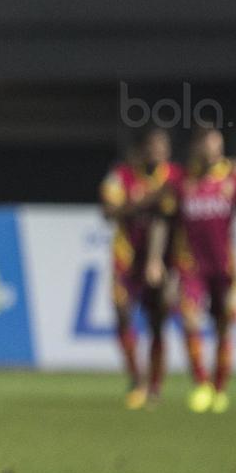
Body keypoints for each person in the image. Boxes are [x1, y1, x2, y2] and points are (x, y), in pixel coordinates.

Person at [147, 127, 236, 413]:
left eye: (217, 144)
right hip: (191, 267)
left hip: (224, 267)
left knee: (224, 327)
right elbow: (162, 221)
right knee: (189, 321)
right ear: (196, 147)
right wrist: (154, 259)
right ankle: (202, 383)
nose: (212, 150)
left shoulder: (235, 177)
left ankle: (220, 388)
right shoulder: (181, 181)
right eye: (207, 144)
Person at [99, 128, 182, 409]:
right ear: (142, 149)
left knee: (158, 322)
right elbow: (108, 211)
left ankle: (155, 387)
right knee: (122, 315)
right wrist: (149, 200)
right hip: (127, 257)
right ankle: (137, 379)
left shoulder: (176, 177)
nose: (159, 151)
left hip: (163, 260)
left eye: (163, 146)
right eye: (153, 146)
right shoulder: (122, 175)